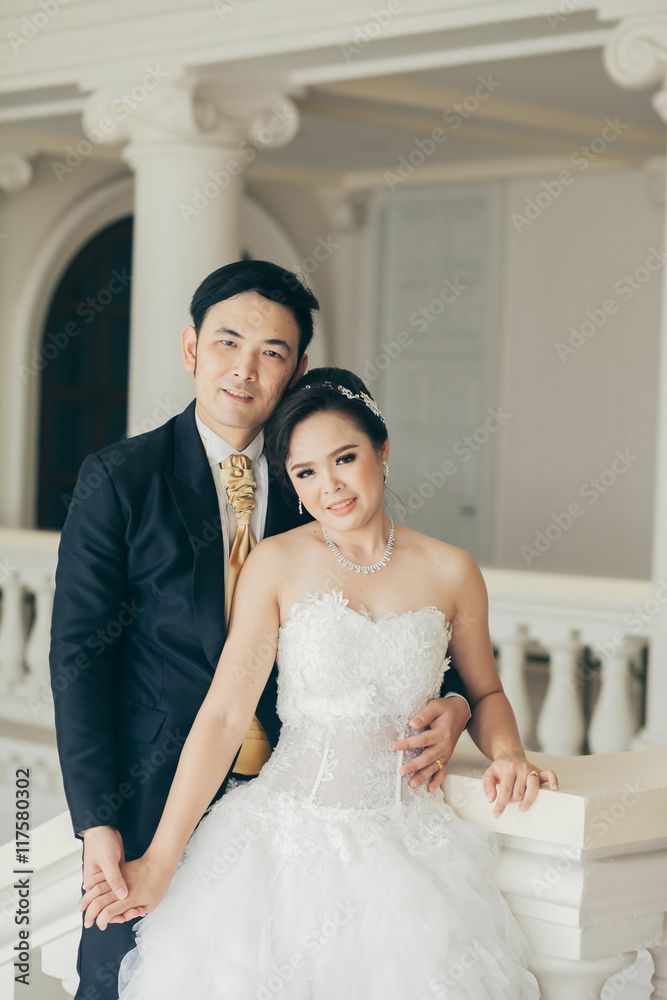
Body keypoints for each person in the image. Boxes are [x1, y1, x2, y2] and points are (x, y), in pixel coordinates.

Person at [49, 263, 473, 1000]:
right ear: (191, 348)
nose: (244, 369)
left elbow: (407, 615)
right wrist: (98, 823)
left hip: (294, 806)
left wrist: (459, 704)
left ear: (298, 369)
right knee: (125, 978)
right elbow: (79, 660)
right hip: (153, 790)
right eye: (227, 342)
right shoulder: (121, 479)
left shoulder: (316, 481)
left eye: (271, 352)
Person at [79, 367, 557, 1000]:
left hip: (410, 851)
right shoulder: (276, 564)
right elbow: (224, 716)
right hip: (280, 850)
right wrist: (161, 861)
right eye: (305, 472)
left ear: (382, 451)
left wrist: (508, 753)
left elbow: (486, 690)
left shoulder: (451, 570)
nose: (329, 485)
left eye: (345, 458)